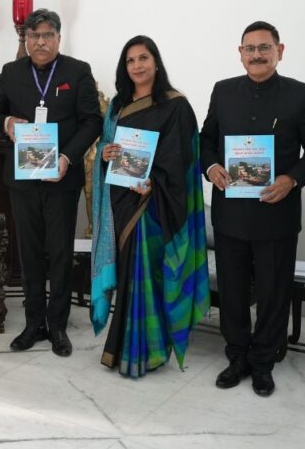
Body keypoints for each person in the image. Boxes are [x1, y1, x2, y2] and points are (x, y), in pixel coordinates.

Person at [199, 21, 305, 397]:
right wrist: (211, 166)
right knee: (233, 292)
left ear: (279, 51)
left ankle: (263, 362)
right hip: (230, 214)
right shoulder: (223, 91)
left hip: (277, 213)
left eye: (264, 48)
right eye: (249, 48)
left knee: (273, 293)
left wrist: (292, 179)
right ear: (240, 53)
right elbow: (206, 140)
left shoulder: (299, 94)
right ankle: (237, 356)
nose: (256, 55)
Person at [91, 36, 210, 378]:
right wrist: (105, 154)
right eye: (130, 60)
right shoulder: (117, 105)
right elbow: (107, 146)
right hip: (120, 200)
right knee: (127, 273)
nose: (137, 65)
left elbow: (181, 159)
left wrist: (153, 183)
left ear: (156, 62)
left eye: (143, 58)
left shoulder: (175, 106)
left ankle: (150, 351)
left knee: (147, 275)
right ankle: (124, 347)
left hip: (154, 204)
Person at [0, 8, 102, 356]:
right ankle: (33, 323)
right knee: (30, 254)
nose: (40, 41)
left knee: (60, 254)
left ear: (58, 38)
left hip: (61, 179)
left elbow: (92, 121)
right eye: (34, 35)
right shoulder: (11, 72)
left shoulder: (77, 71)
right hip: (22, 179)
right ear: (25, 39)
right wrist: (7, 123)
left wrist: (67, 158)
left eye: (47, 35)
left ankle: (58, 326)